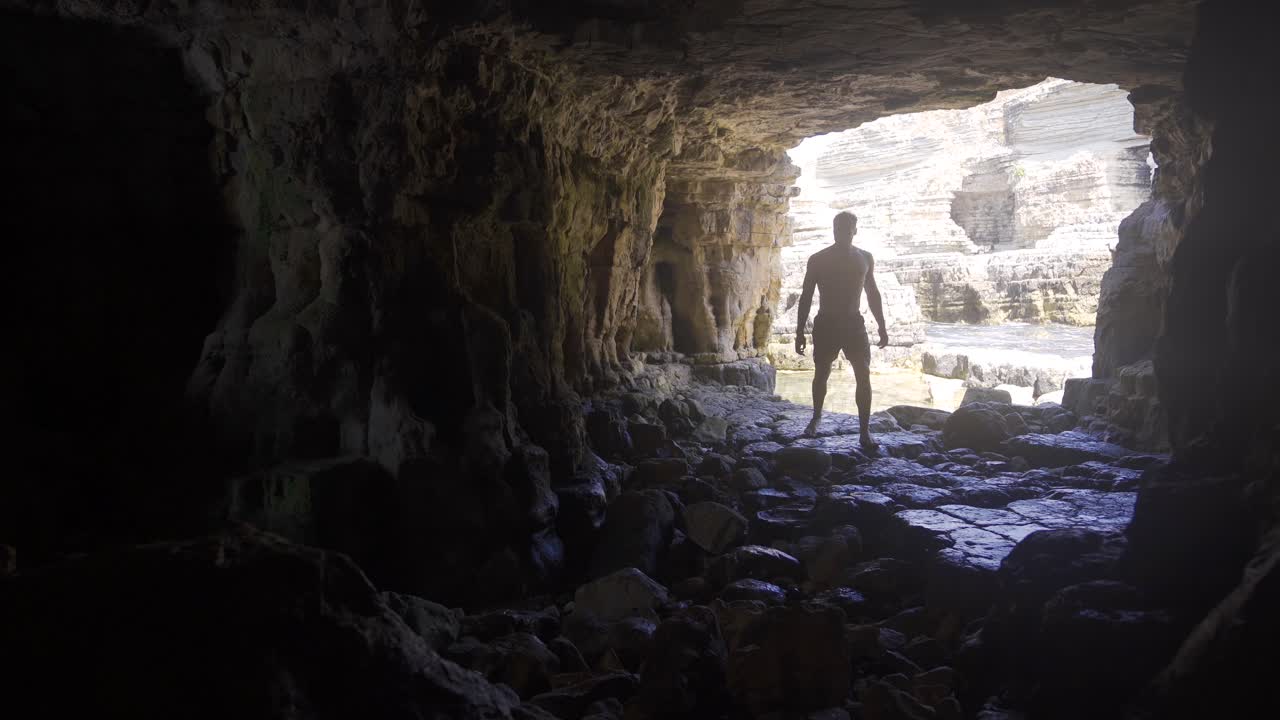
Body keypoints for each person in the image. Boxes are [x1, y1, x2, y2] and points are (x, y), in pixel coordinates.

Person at [794, 211, 888, 449]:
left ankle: (864, 432)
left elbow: (873, 293)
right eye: (838, 230)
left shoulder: (865, 258)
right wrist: (799, 331)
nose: (843, 234)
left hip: (854, 324)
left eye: (847, 230)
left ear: (855, 231)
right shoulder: (818, 259)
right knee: (821, 373)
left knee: (863, 374)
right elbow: (806, 296)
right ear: (833, 230)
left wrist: (882, 325)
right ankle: (815, 419)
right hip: (826, 323)